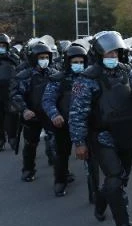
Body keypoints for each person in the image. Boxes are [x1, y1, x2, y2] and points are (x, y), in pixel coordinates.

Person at [70, 31, 132, 226]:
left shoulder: (128, 72)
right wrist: (79, 143)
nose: (112, 57)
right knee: (114, 177)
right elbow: (77, 114)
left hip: (127, 133)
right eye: (108, 53)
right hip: (102, 136)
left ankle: (102, 199)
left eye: (116, 53)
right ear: (98, 53)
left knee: (122, 179)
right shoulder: (87, 79)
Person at [42, 43, 87, 196]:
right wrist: (55, 115)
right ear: (68, 62)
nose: (78, 65)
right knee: (61, 154)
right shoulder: (58, 79)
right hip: (63, 123)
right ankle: (60, 180)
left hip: (86, 124)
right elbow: (47, 100)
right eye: (75, 62)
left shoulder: (89, 78)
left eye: (81, 62)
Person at [10, 40, 56, 181]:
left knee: (56, 143)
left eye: (46, 57)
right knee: (31, 144)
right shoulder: (25, 75)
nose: (44, 60)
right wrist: (24, 110)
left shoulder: (54, 74)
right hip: (32, 115)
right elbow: (16, 94)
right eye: (41, 58)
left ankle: (61, 172)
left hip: (50, 114)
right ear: (33, 58)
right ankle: (28, 169)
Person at [0, 33, 21, 152]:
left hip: (10, 89)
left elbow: (20, 70)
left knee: (12, 114)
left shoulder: (14, 57)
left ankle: (12, 137)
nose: (1, 47)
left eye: (3, 45)